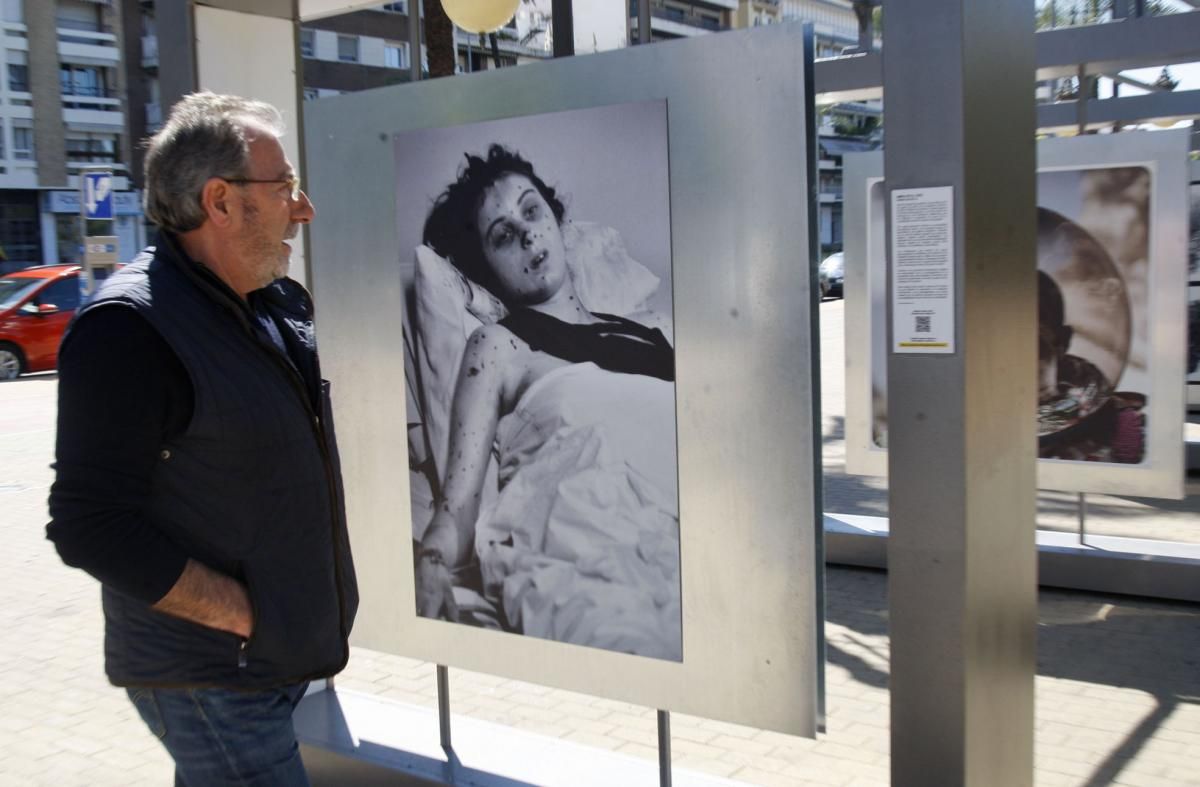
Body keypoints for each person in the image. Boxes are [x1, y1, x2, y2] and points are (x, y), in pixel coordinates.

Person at [47, 92, 358, 786]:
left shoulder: (274, 305)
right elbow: (90, 524)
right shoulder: (127, 330)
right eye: (284, 189)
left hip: (270, 659)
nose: (302, 209)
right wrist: (248, 615)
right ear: (220, 201)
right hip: (211, 675)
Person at [413, 145, 681, 659]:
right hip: (598, 525)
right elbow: (459, 504)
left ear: (557, 221)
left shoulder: (652, 333)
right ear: (487, 268)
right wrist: (430, 564)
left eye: (532, 211)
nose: (528, 234)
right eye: (503, 236)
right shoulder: (497, 344)